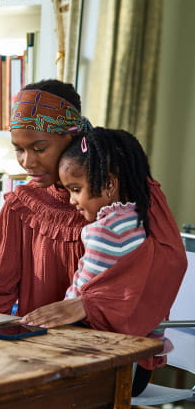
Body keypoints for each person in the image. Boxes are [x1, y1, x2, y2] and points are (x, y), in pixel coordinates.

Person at [0, 80, 186, 409]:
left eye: (39, 148)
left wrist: (86, 304)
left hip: (117, 355)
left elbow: (168, 262)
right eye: (18, 150)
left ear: (73, 138)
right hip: (43, 347)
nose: (27, 162)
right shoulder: (21, 204)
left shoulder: (131, 189)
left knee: (28, 378)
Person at [22, 127, 175, 388]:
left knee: (26, 376)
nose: (71, 201)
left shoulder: (106, 230)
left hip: (116, 366)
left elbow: (80, 297)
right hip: (142, 364)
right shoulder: (144, 218)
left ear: (109, 184)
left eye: (75, 189)